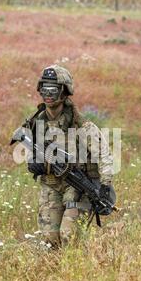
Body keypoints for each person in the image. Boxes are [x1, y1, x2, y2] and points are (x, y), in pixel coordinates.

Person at [26, 65, 114, 248]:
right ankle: (55, 275)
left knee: (69, 236)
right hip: (50, 187)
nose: (48, 94)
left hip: (78, 187)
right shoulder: (36, 122)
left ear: (64, 92)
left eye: (53, 90)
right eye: (44, 89)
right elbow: (30, 150)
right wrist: (34, 163)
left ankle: (79, 273)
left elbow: (104, 156)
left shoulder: (81, 125)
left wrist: (105, 186)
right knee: (50, 241)